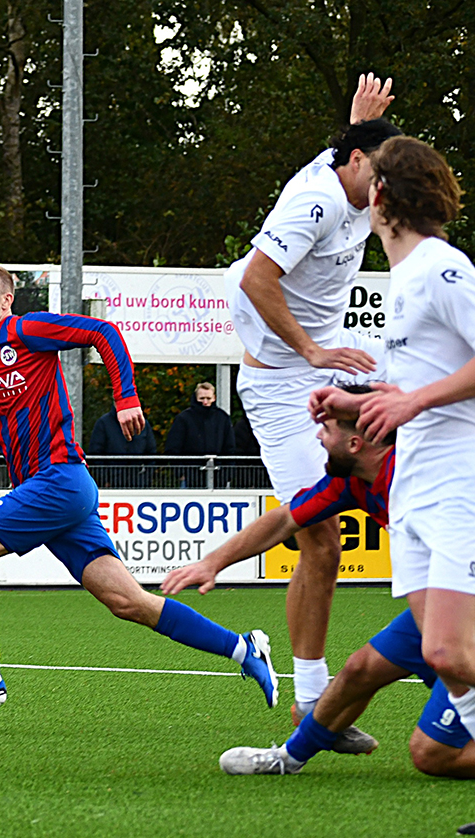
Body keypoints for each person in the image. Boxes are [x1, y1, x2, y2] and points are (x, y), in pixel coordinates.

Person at [0, 259, 277, 708]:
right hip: (53, 491)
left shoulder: (26, 330)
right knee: (129, 602)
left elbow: (103, 332)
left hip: (57, 479)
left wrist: (126, 396)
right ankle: (245, 650)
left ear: (5, 300)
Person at [225, 74, 400, 714]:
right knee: (320, 537)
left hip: (332, 355)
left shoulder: (352, 173)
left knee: (441, 392)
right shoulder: (317, 201)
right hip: (281, 380)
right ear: (353, 162)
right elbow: (256, 279)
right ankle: (310, 698)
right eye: (377, 175)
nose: (385, 194)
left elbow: (347, 151)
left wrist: (357, 124)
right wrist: (310, 352)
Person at [309, 137, 475, 759]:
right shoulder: (403, 278)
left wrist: (413, 402)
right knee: (447, 660)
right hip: (417, 491)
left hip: (458, 480)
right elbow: (420, 382)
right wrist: (354, 401)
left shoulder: (442, 268)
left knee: (448, 653)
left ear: (381, 196)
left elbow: (424, 393)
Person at [164, 386, 392, 756]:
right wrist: (212, 563)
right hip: (443, 594)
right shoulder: (346, 483)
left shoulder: (420, 471)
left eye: (326, 430)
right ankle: (299, 739)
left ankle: (291, 751)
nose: (316, 437)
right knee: (372, 684)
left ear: (354, 443)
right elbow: (284, 520)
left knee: (430, 663)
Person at [87, 398, 157, 488]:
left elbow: (151, 453)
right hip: (112, 484)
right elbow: (95, 455)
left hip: (138, 484)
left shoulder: (143, 424)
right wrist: (104, 480)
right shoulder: (103, 423)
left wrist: (146, 479)